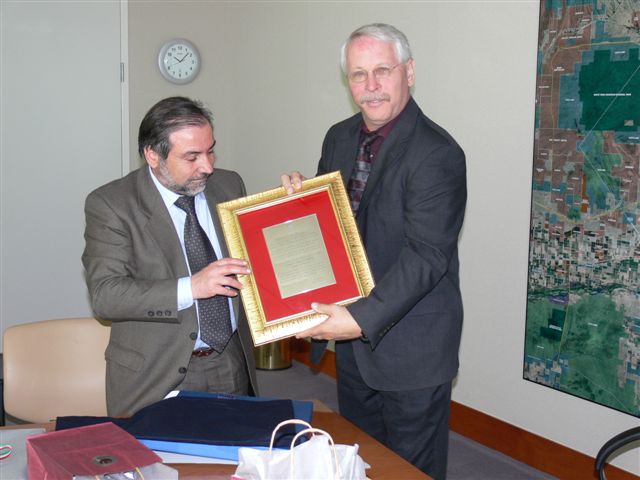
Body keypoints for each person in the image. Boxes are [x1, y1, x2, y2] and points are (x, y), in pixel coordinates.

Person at [282, 24, 466, 479]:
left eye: (382, 70)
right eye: (358, 74)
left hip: (412, 346)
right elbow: (335, 228)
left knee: (409, 471)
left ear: (409, 72)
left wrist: (358, 319)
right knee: (361, 461)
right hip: (353, 345)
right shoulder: (339, 137)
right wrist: (300, 201)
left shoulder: (437, 153)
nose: (371, 85)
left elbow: (427, 256)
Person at [83, 96, 258, 417]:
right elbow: (105, 296)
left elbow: (254, 255)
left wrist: (298, 201)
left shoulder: (229, 184)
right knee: (158, 451)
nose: (207, 166)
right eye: (192, 156)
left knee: (235, 443)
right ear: (153, 155)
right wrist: (192, 287)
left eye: (210, 150)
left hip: (229, 359)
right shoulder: (112, 204)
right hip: (156, 370)